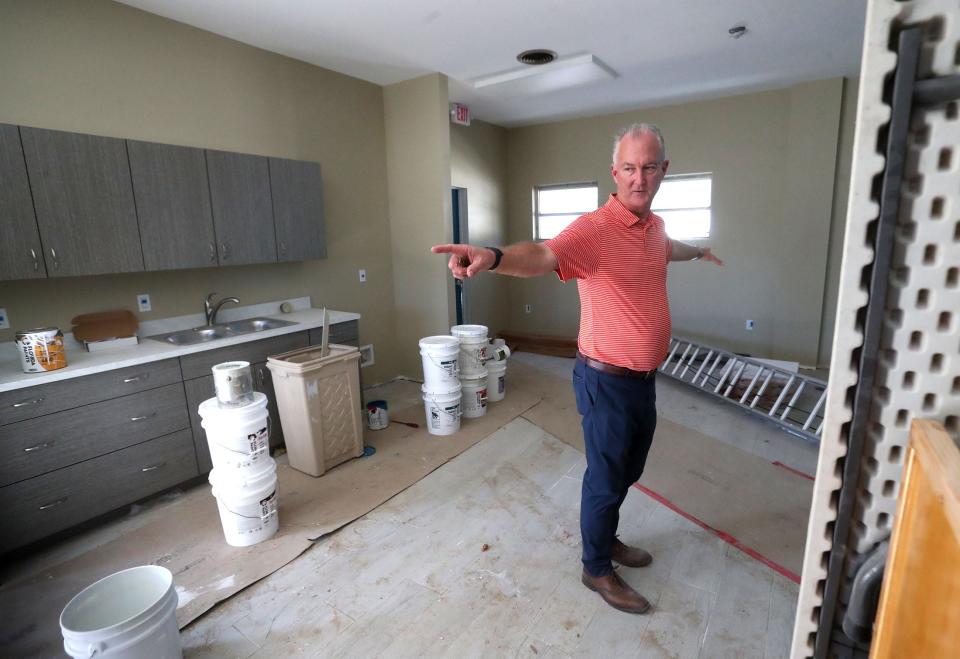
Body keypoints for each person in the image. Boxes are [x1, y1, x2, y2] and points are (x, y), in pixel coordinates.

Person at [432, 123, 723, 614]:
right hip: (605, 380)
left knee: (629, 469)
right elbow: (545, 254)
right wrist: (493, 256)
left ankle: (606, 539)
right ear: (615, 172)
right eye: (629, 168)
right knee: (606, 478)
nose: (639, 178)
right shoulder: (594, 230)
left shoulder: (656, 230)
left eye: (649, 167)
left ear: (663, 172)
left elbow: (669, 250)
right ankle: (596, 567)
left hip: (643, 381)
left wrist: (698, 252)